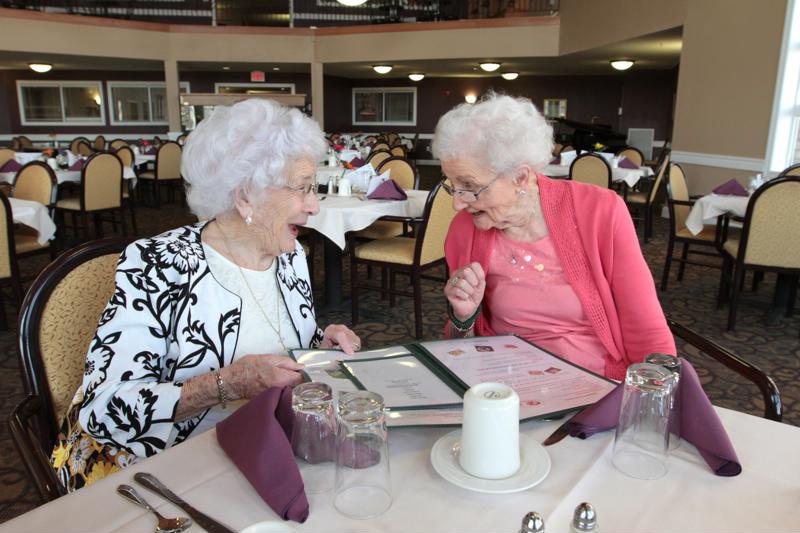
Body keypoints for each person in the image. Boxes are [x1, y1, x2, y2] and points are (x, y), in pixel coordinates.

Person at [52, 99, 361, 492]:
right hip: (158, 470)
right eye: (302, 189)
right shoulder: (158, 264)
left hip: (262, 448)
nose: (315, 206)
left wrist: (321, 342)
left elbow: (278, 336)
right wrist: (227, 384)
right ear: (246, 195)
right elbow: (105, 409)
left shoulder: (289, 254)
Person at [434, 93, 675, 380]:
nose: (457, 203)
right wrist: (464, 317)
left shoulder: (600, 212)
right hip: (503, 383)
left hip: (592, 380)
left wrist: (650, 402)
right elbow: (460, 345)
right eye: (452, 185)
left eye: (469, 186)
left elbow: (645, 327)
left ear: (521, 177)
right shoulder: (465, 229)